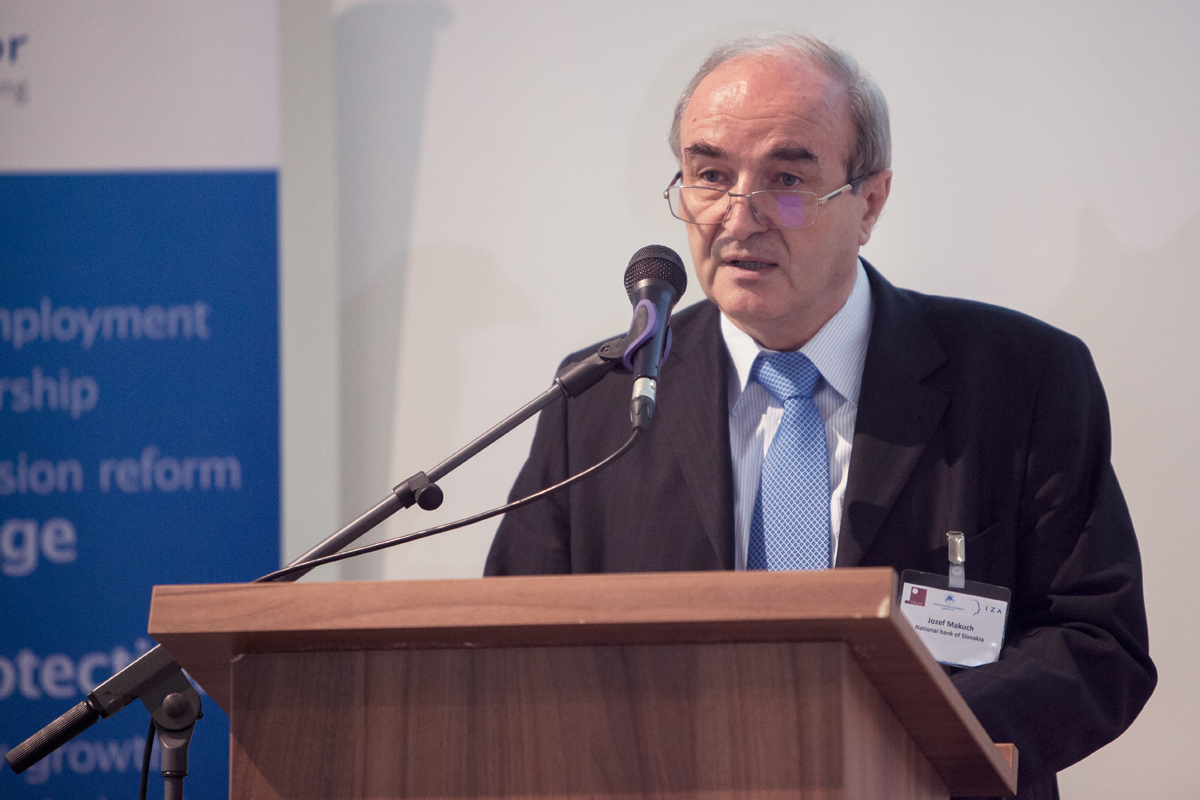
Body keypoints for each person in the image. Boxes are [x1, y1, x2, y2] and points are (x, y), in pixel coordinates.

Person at [485, 32, 1155, 800]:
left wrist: (890, 742)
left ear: (870, 201)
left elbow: (1096, 643)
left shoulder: (1019, 378)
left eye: (787, 179)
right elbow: (511, 647)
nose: (739, 217)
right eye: (710, 175)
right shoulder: (602, 400)